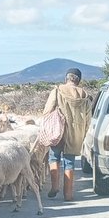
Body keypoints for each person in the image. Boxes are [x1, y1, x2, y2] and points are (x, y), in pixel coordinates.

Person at [42, 67, 92, 201]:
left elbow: (47, 112)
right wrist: (84, 134)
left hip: (58, 131)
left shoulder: (57, 91)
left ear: (66, 78)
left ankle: (54, 187)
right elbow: (88, 119)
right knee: (69, 163)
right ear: (78, 80)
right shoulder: (85, 96)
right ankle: (68, 194)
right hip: (76, 133)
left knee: (54, 158)